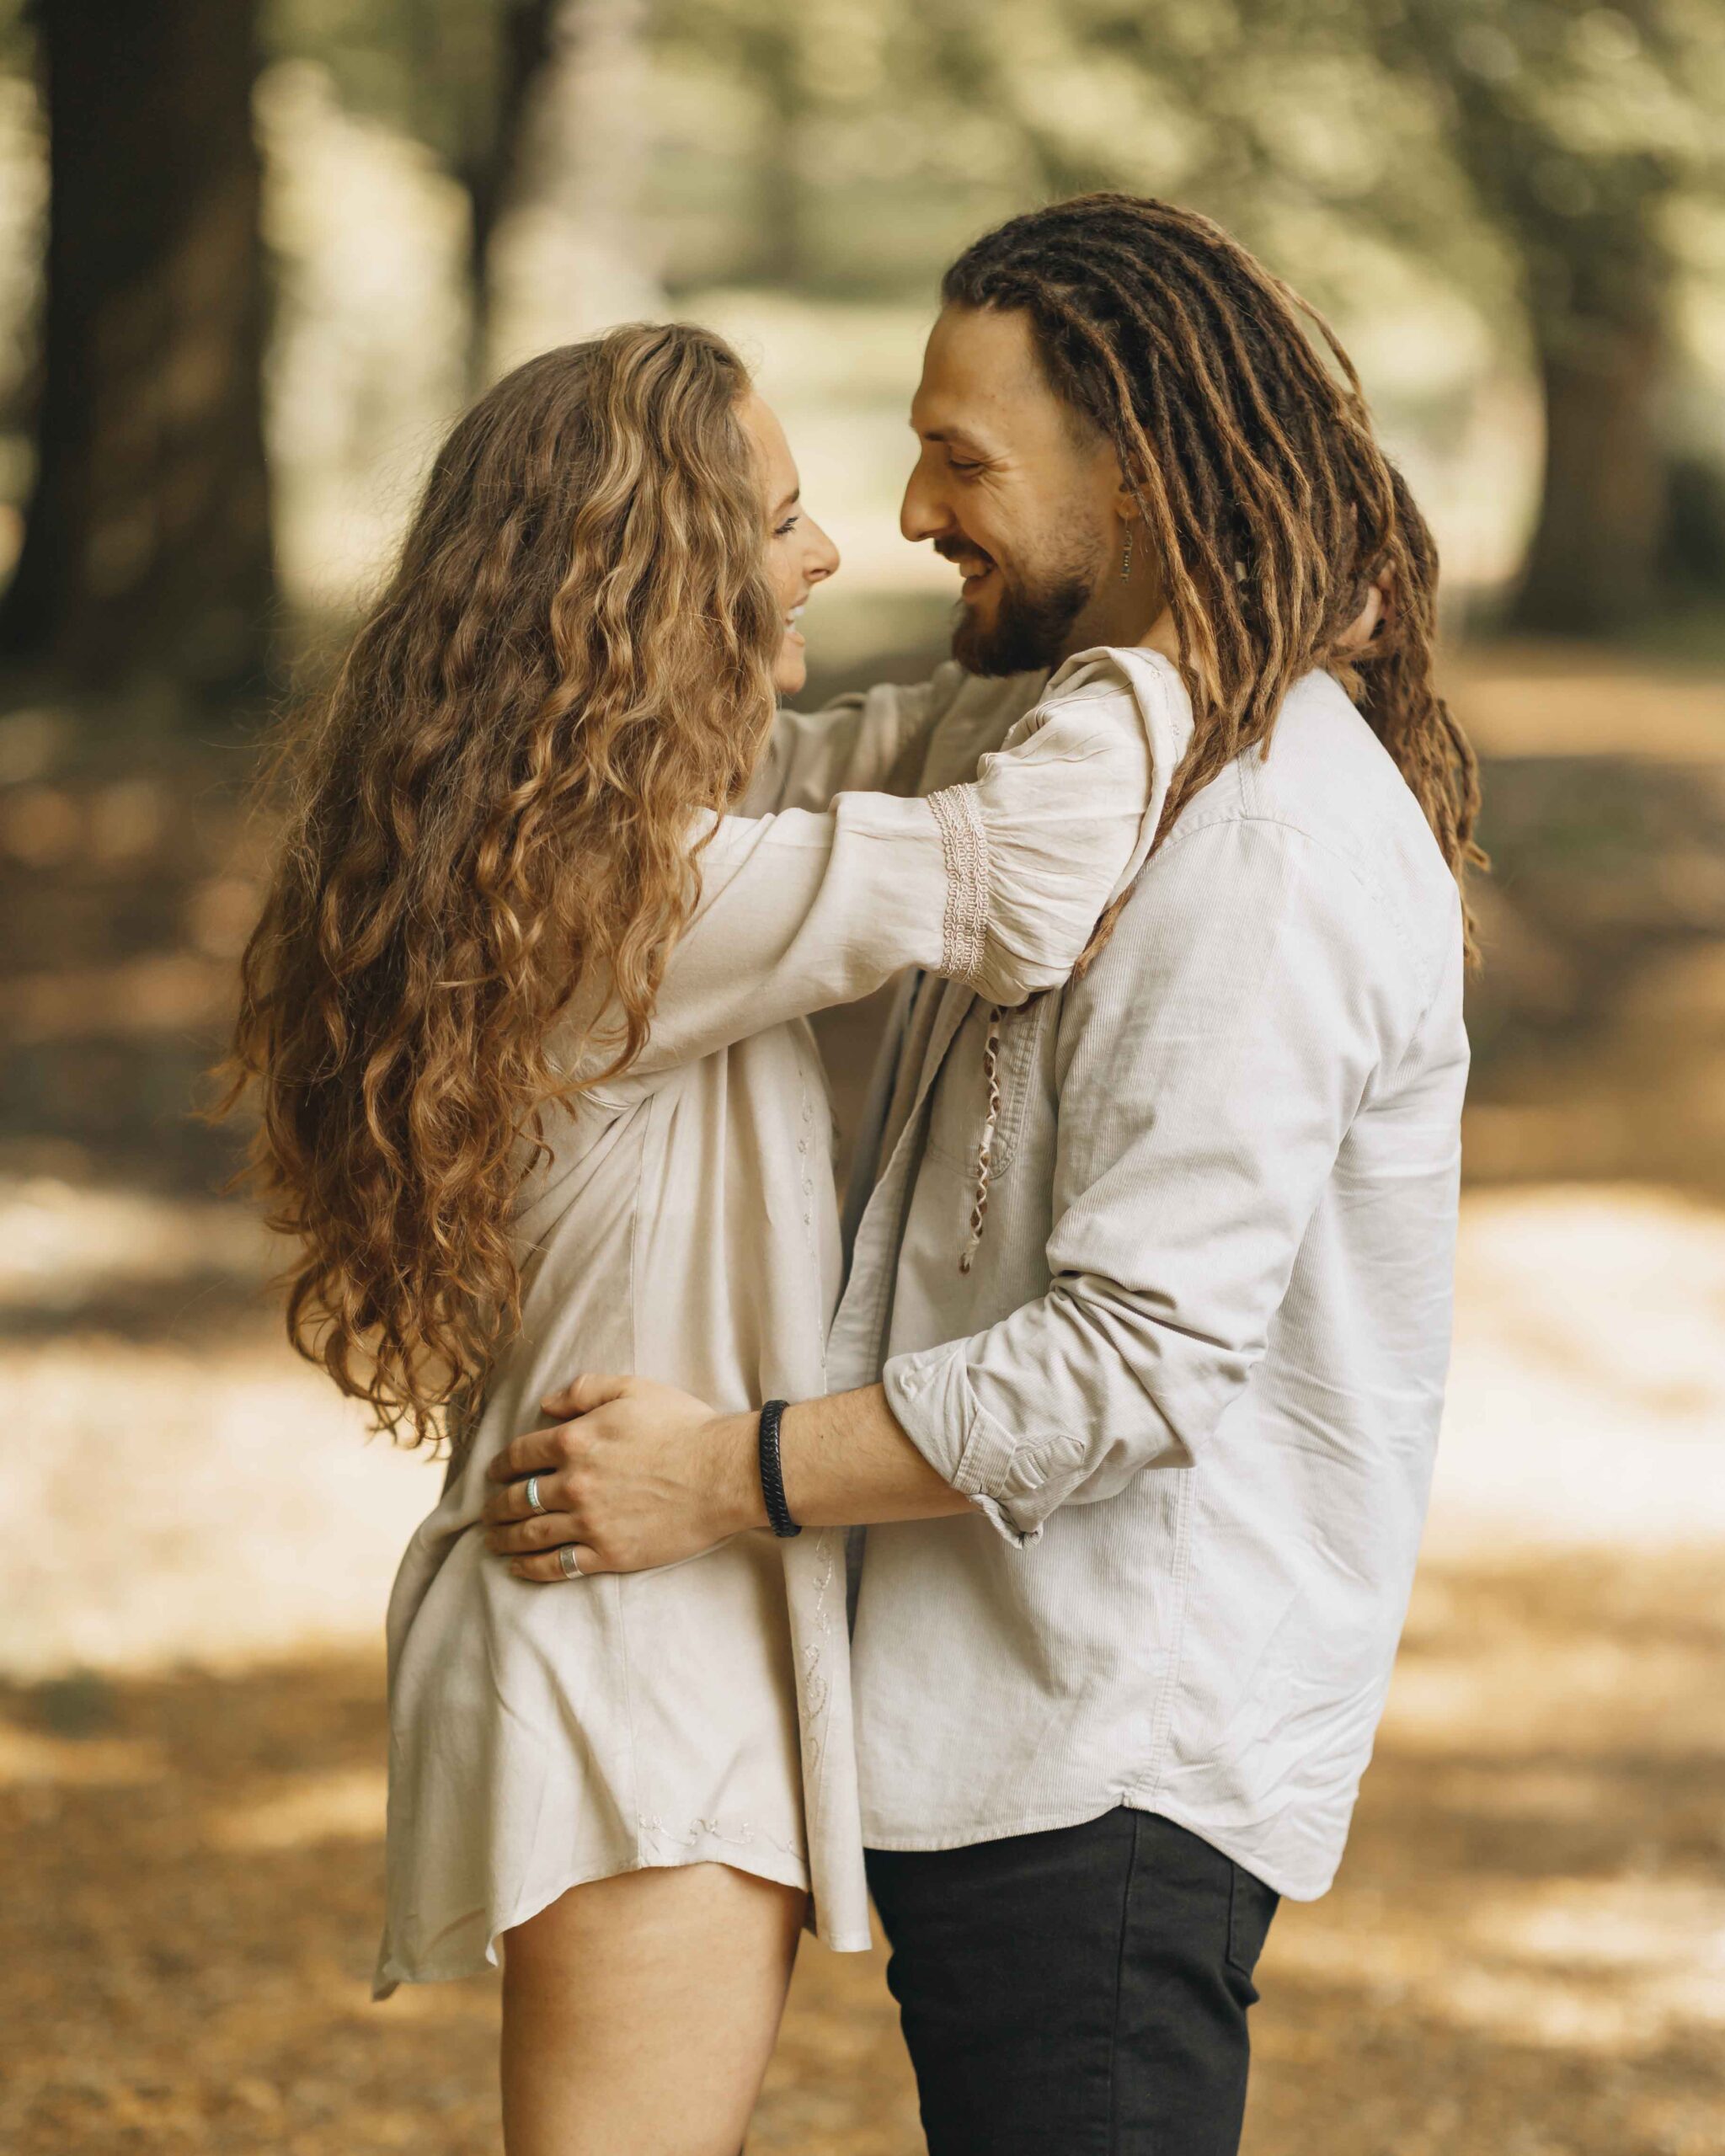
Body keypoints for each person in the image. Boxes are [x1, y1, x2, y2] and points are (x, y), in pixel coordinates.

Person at [483, 195, 1484, 2155]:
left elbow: (1130, 1362)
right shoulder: (1070, 744)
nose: (915, 503)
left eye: (964, 453)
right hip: (1004, 1710)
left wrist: (718, 1470)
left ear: (1139, 470)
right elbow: (756, 792)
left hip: (1118, 1740)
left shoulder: (1260, 838)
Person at [224, 320, 1180, 2156]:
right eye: (779, 521)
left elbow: (889, 750)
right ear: (653, 586)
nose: (827, 555)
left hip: (630, 1612)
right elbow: (1021, 868)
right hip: (627, 1637)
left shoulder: (579, 844)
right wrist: (1192, 649)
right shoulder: (617, 896)